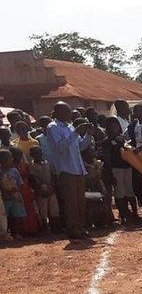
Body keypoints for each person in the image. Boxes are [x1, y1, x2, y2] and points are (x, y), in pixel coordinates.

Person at [45, 102, 92, 240]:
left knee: (80, 202)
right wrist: (76, 132)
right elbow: (60, 147)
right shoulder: (52, 127)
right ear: (58, 112)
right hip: (66, 170)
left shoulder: (70, 126)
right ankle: (73, 229)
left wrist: (88, 134)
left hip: (78, 169)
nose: (69, 113)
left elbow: (81, 146)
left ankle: (81, 227)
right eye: (67, 111)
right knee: (71, 202)